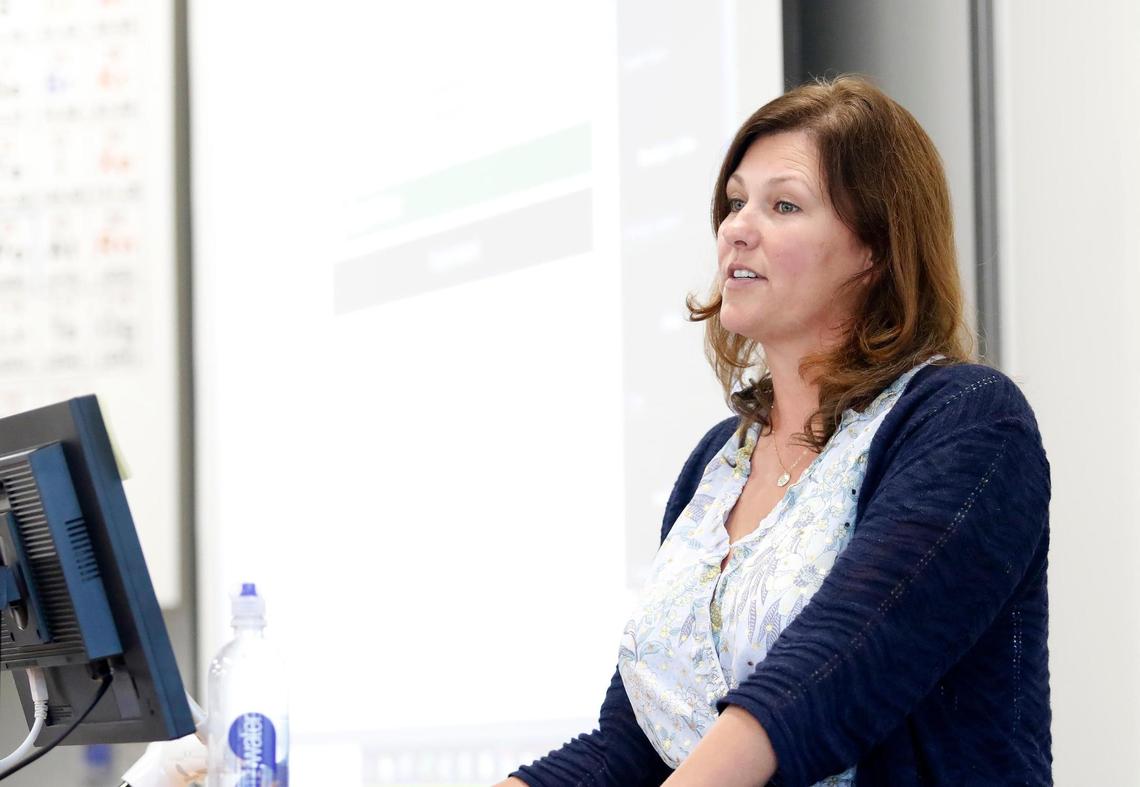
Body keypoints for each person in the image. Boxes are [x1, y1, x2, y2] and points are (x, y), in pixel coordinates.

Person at [496, 75, 1051, 786]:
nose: (737, 228)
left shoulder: (967, 420)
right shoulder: (716, 466)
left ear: (874, 249)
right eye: (734, 203)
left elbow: (829, 678)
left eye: (783, 204)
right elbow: (631, 750)